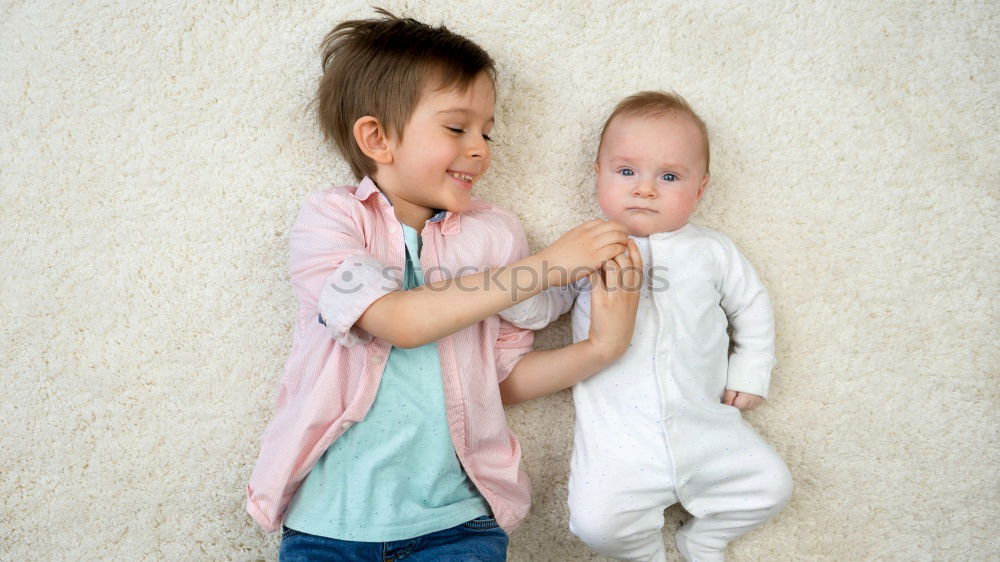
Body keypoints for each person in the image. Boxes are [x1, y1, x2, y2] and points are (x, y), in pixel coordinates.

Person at [245, 10, 642, 561]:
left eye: (487, 130)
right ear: (377, 138)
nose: (480, 148)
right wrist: (549, 265)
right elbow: (396, 320)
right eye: (457, 128)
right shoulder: (331, 221)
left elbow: (496, 384)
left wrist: (602, 347)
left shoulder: (494, 232)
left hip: (457, 524)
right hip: (326, 525)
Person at [499, 91, 793, 561]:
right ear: (598, 175)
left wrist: (751, 370)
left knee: (772, 486)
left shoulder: (713, 251)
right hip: (620, 443)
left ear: (700, 189)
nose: (645, 188)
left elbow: (752, 308)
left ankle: (706, 538)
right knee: (595, 524)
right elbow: (542, 308)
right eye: (626, 171)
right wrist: (515, 290)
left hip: (707, 428)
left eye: (670, 177)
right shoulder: (588, 246)